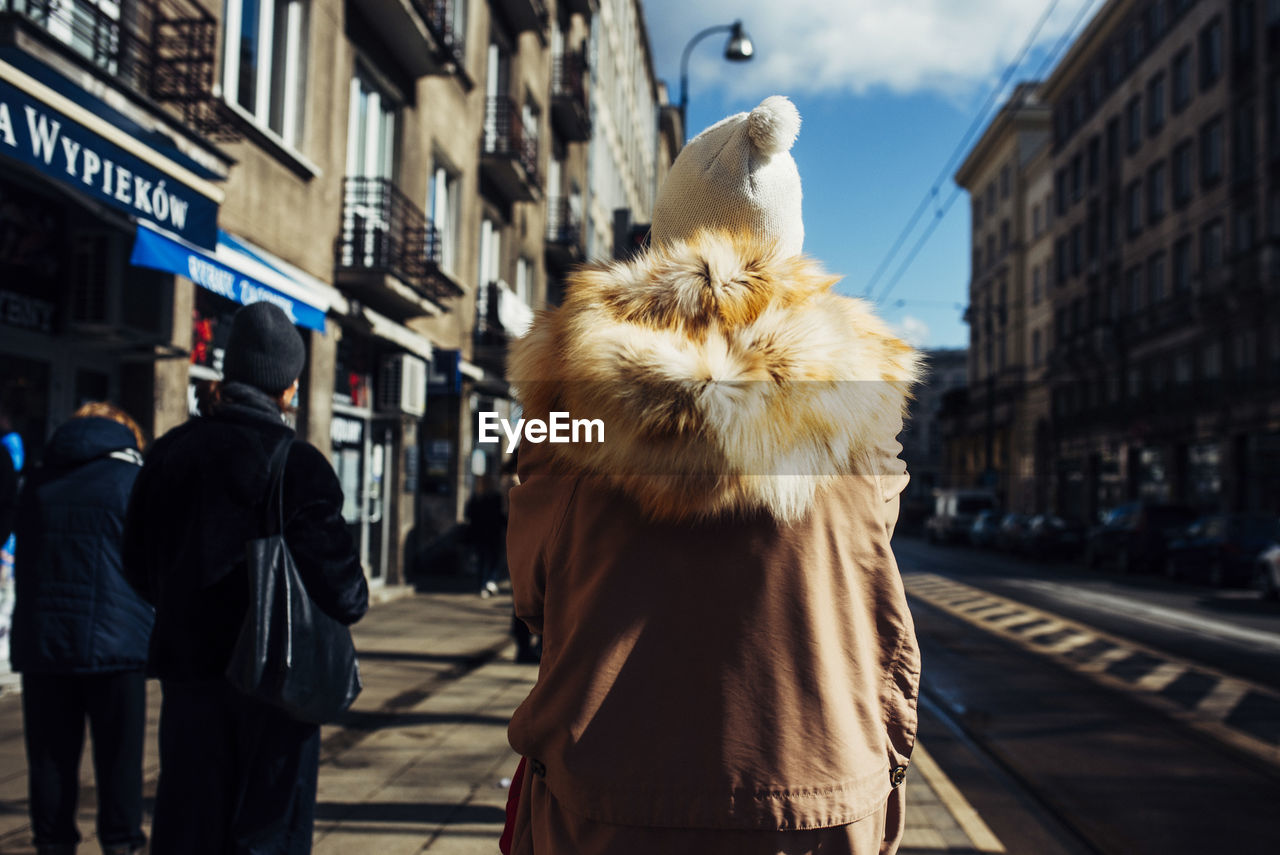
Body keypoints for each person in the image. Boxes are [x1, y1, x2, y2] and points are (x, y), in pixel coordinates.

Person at [503, 96, 922, 854]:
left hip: (612, 803)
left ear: (663, 239)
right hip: (820, 799)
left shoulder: (570, 406)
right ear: (790, 252)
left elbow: (533, 589)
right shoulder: (863, 416)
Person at [122, 301, 369, 854]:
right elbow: (348, 594)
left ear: (230, 375)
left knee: (188, 826)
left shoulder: (168, 454)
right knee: (269, 831)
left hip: (188, 679)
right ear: (288, 387)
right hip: (277, 684)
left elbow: (135, 566)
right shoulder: (298, 465)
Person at [10, 403, 152, 855]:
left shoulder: (36, 481)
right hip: (118, 643)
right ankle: (121, 844)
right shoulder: (133, 482)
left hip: (44, 644)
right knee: (120, 764)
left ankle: (53, 845)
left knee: (50, 764)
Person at [465, 474, 507, 597]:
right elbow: (501, 517)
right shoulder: (496, 498)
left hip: (480, 534)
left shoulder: (476, 497)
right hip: (493, 534)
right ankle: (490, 582)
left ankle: (483, 585)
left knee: (482, 561)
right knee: (493, 561)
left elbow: (468, 514)